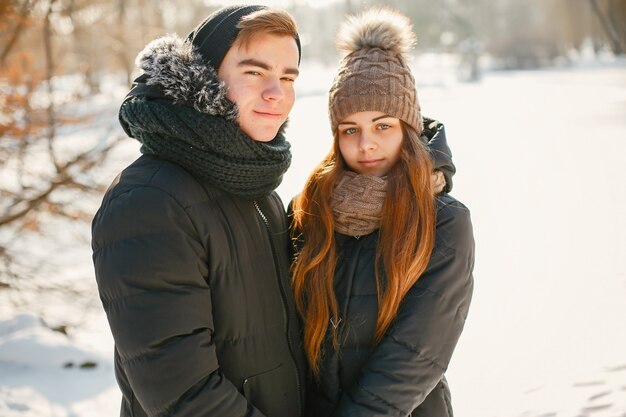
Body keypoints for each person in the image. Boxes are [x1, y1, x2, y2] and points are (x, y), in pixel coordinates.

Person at [91, 5, 306, 417]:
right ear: (203, 79)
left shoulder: (256, 187)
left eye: (287, 77)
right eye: (255, 72)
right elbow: (184, 397)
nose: (276, 93)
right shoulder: (149, 202)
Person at [289, 7, 475, 417]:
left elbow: (417, 351)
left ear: (408, 127)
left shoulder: (443, 220)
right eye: (350, 129)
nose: (366, 144)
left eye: (383, 125)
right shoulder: (309, 210)